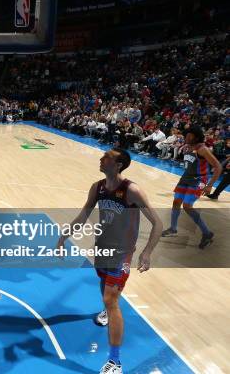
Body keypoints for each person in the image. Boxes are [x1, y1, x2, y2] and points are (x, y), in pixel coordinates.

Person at [56, 148, 162, 374]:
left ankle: (115, 361)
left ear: (119, 165)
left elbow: (158, 223)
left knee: (111, 298)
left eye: (107, 157)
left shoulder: (132, 191)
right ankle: (106, 310)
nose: (101, 159)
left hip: (122, 253)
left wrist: (146, 252)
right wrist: (64, 236)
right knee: (104, 287)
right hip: (101, 248)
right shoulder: (98, 187)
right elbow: (84, 214)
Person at [161, 126, 222, 248]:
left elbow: (218, 166)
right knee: (176, 202)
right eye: (186, 135)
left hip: (199, 180)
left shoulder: (202, 149)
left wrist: (209, 185)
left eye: (190, 135)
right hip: (186, 177)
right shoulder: (188, 146)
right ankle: (173, 228)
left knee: (187, 206)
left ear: (197, 137)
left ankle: (207, 233)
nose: (187, 137)